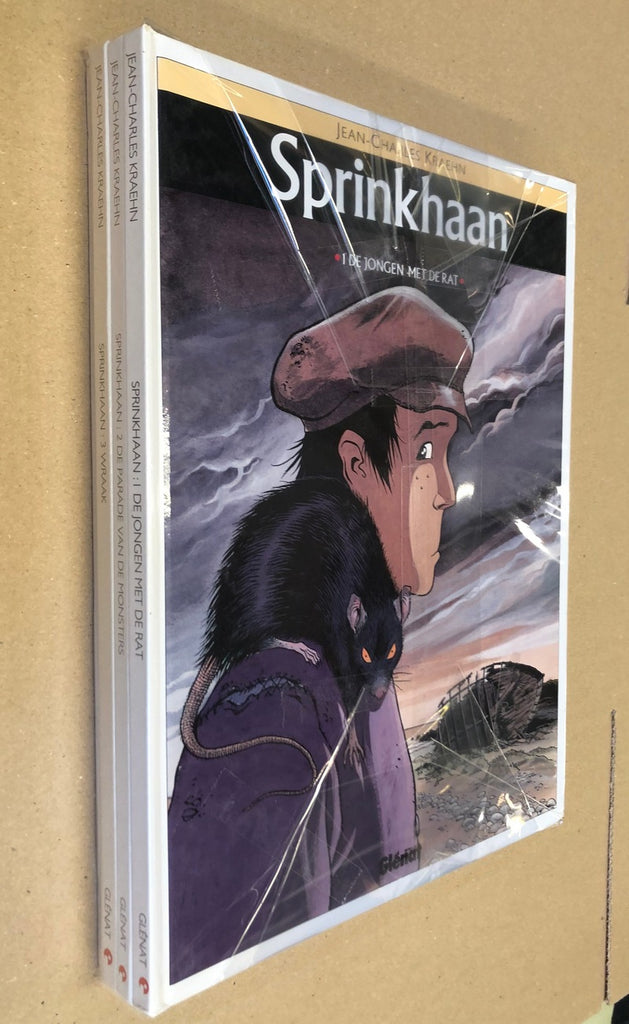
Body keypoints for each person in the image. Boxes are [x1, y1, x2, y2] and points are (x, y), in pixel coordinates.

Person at [168, 286, 473, 983]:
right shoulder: (276, 712)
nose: (447, 490)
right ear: (359, 464)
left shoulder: (356, 664)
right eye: (426, 448)